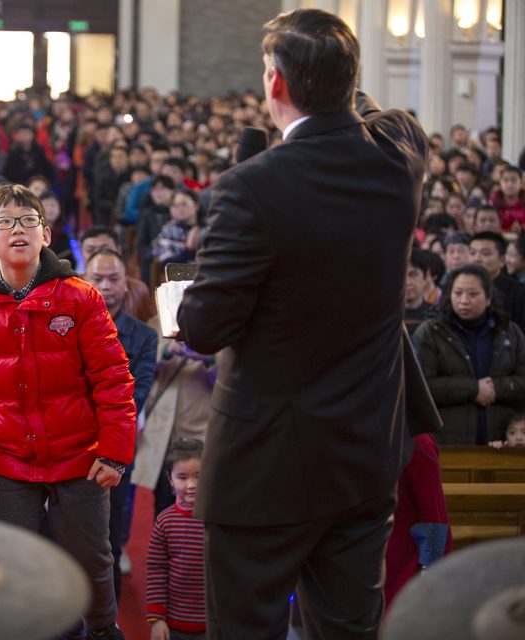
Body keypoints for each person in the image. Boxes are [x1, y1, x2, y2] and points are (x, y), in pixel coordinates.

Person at [176, 10, 433, 638]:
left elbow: (205, 328)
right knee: (348, 628)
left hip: (266, 461)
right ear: (351, 81)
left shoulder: (250, 187)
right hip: (363, 449)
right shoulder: (398, 160)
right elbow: (376, 114)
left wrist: (194, 278)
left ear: (274, 85)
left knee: (246, 627)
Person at [0, 184, 135, 640]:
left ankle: (104, 630)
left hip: (79, 456)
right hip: (8, 460)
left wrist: (115, 451)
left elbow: (113, 379)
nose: (17, 229)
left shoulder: (80, 297)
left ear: (46, 233)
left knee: (91, 559)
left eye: (28, 220)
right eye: (3, 222)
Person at [83, 248, 157, 599]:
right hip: (71, 444)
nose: (106, 286)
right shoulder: (69, 327)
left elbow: (137, 395)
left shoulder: (144, 336)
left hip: (116, 447)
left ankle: (105, 620)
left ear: (126, 285)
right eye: (98, 279)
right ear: (85, 281)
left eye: (113, 279)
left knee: (109, 542)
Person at [414, 264, 525, 445]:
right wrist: (473, 389)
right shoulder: (431, 332)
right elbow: (421, 387)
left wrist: (497, 387)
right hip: (447, 437)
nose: (464, 300)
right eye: (458, 293)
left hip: (501, 438)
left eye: (473, 294)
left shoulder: (509, 332)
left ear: (488, 298)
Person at [146, 438, 208, 640]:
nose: (191, 485)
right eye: (182, 477)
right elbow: (156, 570)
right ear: (170, 479)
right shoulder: (165, 521)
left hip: (213, 622)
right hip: (174, 624)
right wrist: (157, 618)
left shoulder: (218, 520)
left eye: (199, 476)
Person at [383, 433, 452, 608]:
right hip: (375, 560)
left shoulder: (417, 442)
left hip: (404, 567)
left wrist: (430, 576)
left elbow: (434, 518)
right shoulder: (371, 431)